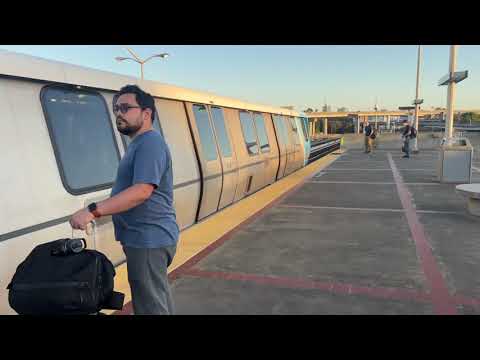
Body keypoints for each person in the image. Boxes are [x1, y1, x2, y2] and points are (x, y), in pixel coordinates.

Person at [70, 84, 179, 315]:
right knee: (156, 300)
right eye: (116, 108)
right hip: (145, 238)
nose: (119, 113)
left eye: (126, 108)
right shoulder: (139, 144)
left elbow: (142, 191)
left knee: (150, 307)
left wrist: (93, 210)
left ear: (146, 113)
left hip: (148, 238)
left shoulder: (150, 143)